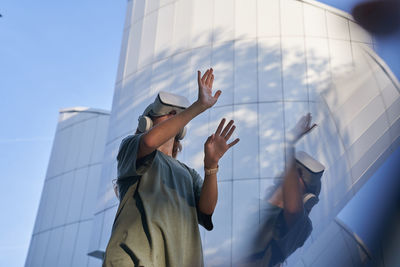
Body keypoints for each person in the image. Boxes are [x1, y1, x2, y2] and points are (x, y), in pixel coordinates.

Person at [103, 68, 240, 267]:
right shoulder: (131, 148)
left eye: (176, 114)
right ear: (146, 122)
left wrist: (211, 165)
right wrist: (198, 107)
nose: (173, 115)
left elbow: (207, 209)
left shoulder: (187, 173)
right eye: (166, 113)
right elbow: (149, 143)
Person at [238, 113, 325, 267]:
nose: (291, 178)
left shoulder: (302, 226)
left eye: (298, 177)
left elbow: (292, 210)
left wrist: (289, 143)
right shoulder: (252, 206)